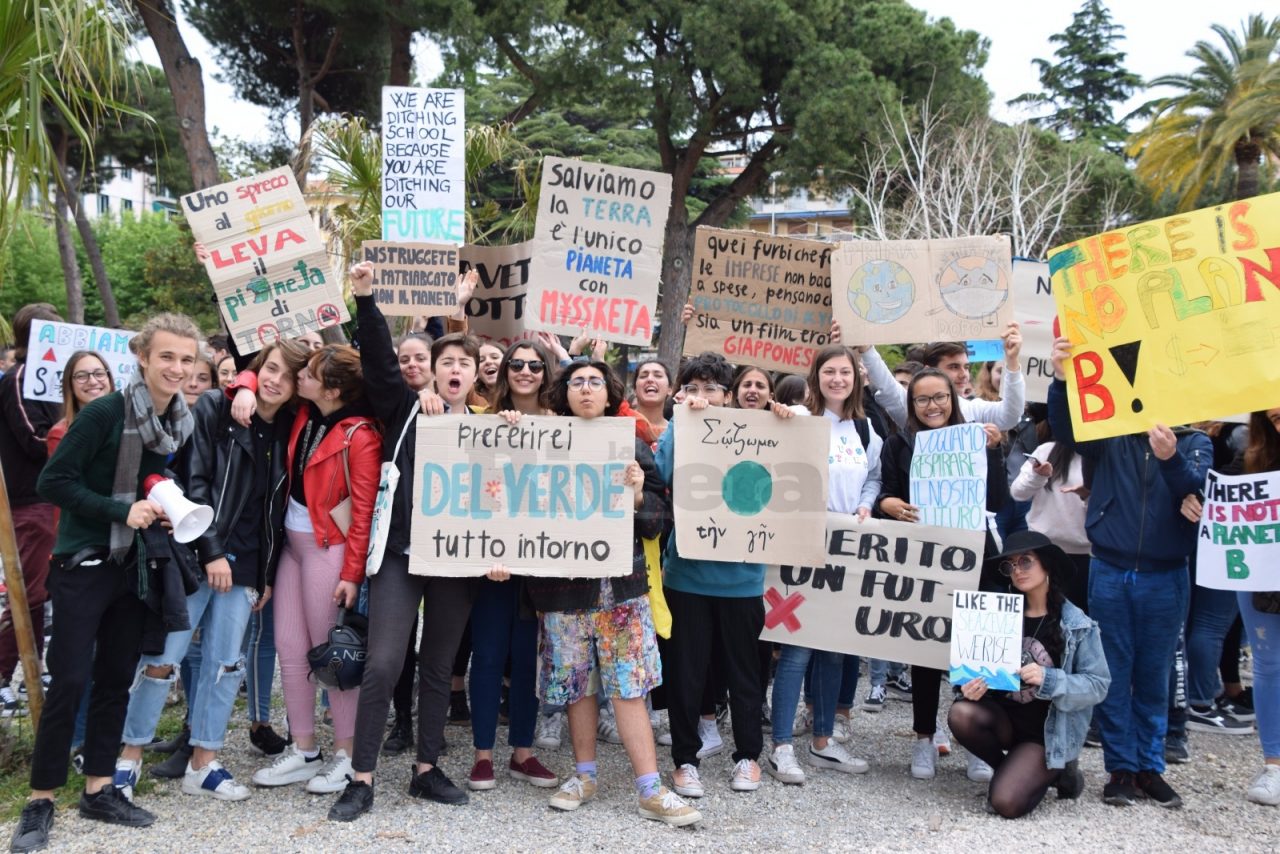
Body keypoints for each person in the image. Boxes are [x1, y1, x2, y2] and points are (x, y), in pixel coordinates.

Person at [11, 313, 201, 853]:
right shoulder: (105, 411)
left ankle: (99, 787)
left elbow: (155, 477)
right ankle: (41, 799)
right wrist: (122, 511)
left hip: (135, 567)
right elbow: (54, 481)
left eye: (187, 360)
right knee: (70, 680)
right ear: (142, 357)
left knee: (117, 678)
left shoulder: (177, 421)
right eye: (167, 357)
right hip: (83, 565)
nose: (177, 368)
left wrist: (163, 506)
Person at [114, 340, 310, 803]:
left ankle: (204, 761)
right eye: (270, 368)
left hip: (247, 567)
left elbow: (273, 510)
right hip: (196, 555)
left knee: (225, 665)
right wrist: (212, 551)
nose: (275, 380)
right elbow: (196, 480)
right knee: (162, 658)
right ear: (258, 368)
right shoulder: (217, 412)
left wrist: (262, 574)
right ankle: (128, 756)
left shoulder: (291, 427)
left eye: (287, 374)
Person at [327, 262, 481, 821]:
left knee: (439, 665)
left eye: (466, 363)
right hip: (400, 556)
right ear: (433, 373)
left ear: (476, 374)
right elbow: (377, 360)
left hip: (457, 564)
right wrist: (365, 299)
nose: (455, 369)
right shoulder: (404, 408)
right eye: (447, 363)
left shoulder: (494, 428)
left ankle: (426, 769)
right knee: (385, 661)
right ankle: (361, 778)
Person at [528, 358, 699, 826]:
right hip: (561, 593)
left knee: (629, 687)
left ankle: (649, 787)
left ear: (608, 395)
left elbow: (657, 520)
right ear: (564, 394)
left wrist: (642, 494)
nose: (586, 389)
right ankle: (584, 775)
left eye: (595, 383)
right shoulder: (539, 444)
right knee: (576, 685)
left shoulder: (630, 444)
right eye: (577, 382)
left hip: (618, 591)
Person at [1047, 336, 1211, 809]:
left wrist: (1170, 458)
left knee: (1154, 673)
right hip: (1112, 568)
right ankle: (1121, 768)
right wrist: (1061, 378)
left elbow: (1198, 490)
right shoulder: (1112, 432)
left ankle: (1149, 768)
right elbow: (1067, 429)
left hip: (1166, 575)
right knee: (1114, 672)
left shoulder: (1196, 442)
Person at [244, 346, 381, 795]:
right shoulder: (303, 412)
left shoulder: (359, 435)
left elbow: (363, 512)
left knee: (332, 655)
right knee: (289, 644)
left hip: (330, 550)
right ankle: (304, 749)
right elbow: (246, 372)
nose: (300, 376)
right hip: (292, 546)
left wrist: (352, 574)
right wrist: (246, 384)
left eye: (310, 373)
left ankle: (346, 753)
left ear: (334, 389)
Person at [656, 353, 791, 799]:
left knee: (745, 676)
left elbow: (789, 469)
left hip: (742, 580)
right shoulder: (680, 426)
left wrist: (785, 421)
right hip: (687, 578)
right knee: (686, 675)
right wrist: (680, 421)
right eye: (693, 388)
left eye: (711, 388)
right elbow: (660, 475)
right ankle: (685, 760)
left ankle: (749, 757)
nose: (702, 396)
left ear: (728, 395)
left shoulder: (758, 430)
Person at [874, 367, 1008, 782]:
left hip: (976, 554)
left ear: (953, 398)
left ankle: (979, 742)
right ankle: (923, 739)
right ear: (911, 405)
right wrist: (889, 505)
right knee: (925, 648)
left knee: (978, 647)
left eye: (940, 397)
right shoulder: (898, 443)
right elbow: (886, 492)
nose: (932, 406)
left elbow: (999, 499)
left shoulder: (977, 440)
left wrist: (993, 452)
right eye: (922, 399)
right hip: (925, 557)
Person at [768, 346, 879, 784]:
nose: (837, 379)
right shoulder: (797, 416)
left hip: (845, 548)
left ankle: (822, 740)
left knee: (834, 647)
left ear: (857, 377)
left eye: (845, 372)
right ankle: (780, 746)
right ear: (815, 377)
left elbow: (874, 477)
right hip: (800, 545)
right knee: (796, 650)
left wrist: (868, 505)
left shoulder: (866, 430)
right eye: (829, 371)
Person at [949, 531, 1110, 818]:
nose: (1017, 570)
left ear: (1047, 565)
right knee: (961, 712)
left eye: (1026, 562)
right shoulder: (996, 616)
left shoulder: (1076, 624)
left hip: (1045, 733)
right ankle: (1014, 770)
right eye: (1010, 565)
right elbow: (976, 671)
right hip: (1005, 719)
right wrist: (969, 689)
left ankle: (1056, 769)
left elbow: (1098, 685)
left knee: (1005, 803)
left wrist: (1050, 679)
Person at [464, 339, 558, 793]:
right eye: (516, 364)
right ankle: (483, 754)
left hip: (542, 562)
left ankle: (522, 751)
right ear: (504, 371)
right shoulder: (483, 421)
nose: (524, 371)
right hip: (492, 558)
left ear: (546, 372)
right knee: (487, 654)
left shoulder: (563, 424)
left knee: (527, 659)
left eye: (533, 365)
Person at [0, 304, 64, 718]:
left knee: (49, 591)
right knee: (29, 592)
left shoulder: (55, 379)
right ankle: (4, 676)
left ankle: (33, 665)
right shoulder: (18, 380)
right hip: (32, 500)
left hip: (56, 497)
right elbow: (33, 439)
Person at [1010, 437, 1091, 610]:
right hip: (1044, 550)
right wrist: (1038, 476)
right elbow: (1017, 493)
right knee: (1043, 613)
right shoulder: (1047, 450)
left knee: (1080, 618)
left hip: (1087, 554)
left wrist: (1088, 495)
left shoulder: (1102, 454)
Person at [632, 359, 673, 441]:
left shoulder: (676, 433)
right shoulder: (619, 425)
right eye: (643, 376)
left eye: (658, 376)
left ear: (670, 389)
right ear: (635, 390)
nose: (650, 379)